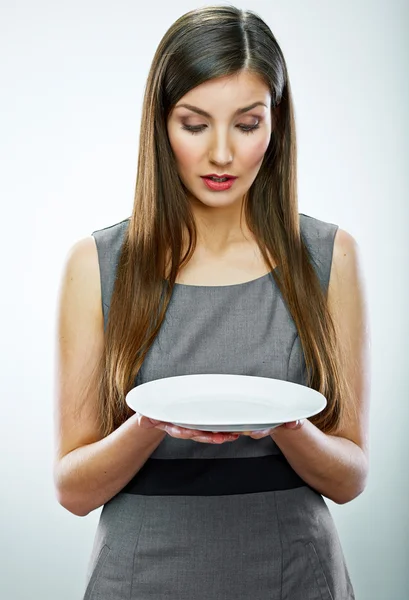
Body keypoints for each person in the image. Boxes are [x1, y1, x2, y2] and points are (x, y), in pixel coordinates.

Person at [53, 4, 370, 599]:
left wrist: (286, 423)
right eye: (195, 124)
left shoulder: (331, 256)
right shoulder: (97, 264)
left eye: (246, 124)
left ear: (276, 126)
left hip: (294, 573)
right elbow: (73, 490)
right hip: (140, 575)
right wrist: (151, 423)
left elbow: (350, 477)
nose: (221, 154)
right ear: (161, 126)